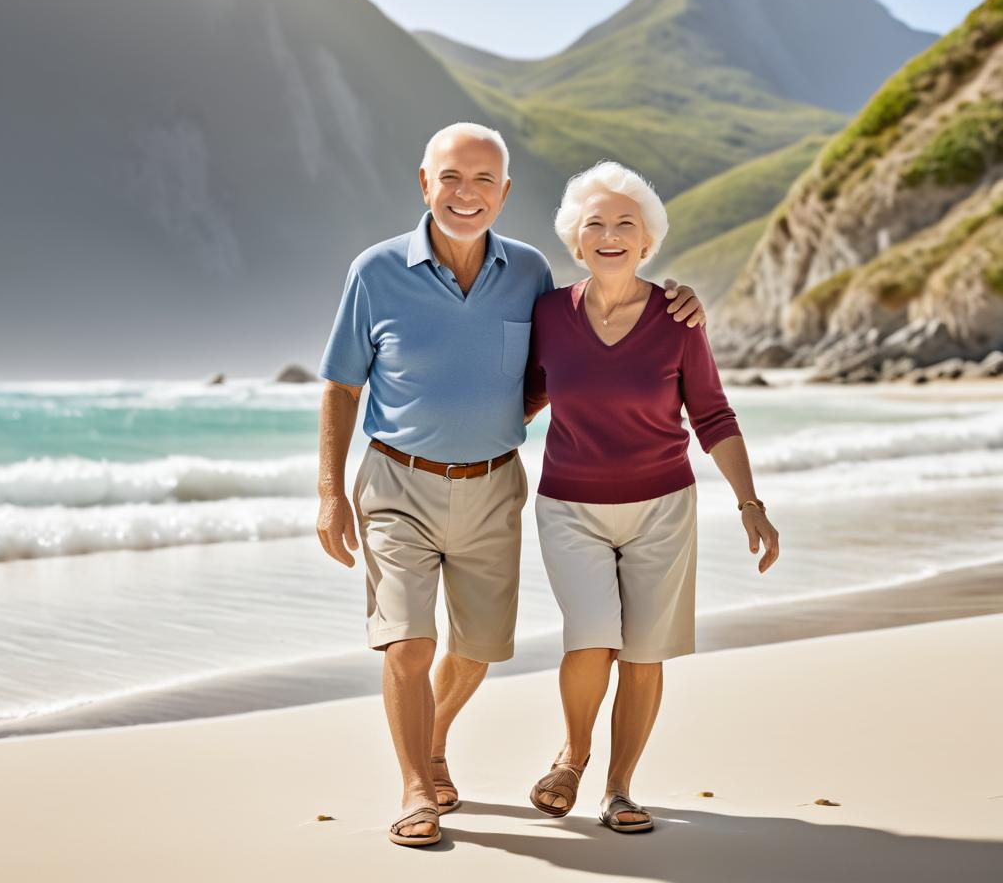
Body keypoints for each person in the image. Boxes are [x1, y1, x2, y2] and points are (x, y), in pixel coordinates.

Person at [316, 123, 707, 846]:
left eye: (483, 180)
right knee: (407, 640)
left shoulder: (528, 273)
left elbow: (585, 333)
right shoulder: (374, 272)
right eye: (452, 178)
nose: (466, 195)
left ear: (504, 192)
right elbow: (342, 386)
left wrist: (674, 300)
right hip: (396, 484)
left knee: (479, 648)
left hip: (496, 486)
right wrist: (330, 493)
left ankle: (432, 746)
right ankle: (413, 790)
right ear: (425, 183)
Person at [523, 159, 780, 834]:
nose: (610, 235)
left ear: (647, 242)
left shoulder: (678, 318)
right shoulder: (547, 314)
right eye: (595, 224)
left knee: (642, 652)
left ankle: (619, 789)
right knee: (591, 636)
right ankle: (572, 756)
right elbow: (517, 398)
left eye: (625, 224)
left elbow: (714, 416)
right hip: (568, 505)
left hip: (663, 507)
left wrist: (750, 503)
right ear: (575, 241)